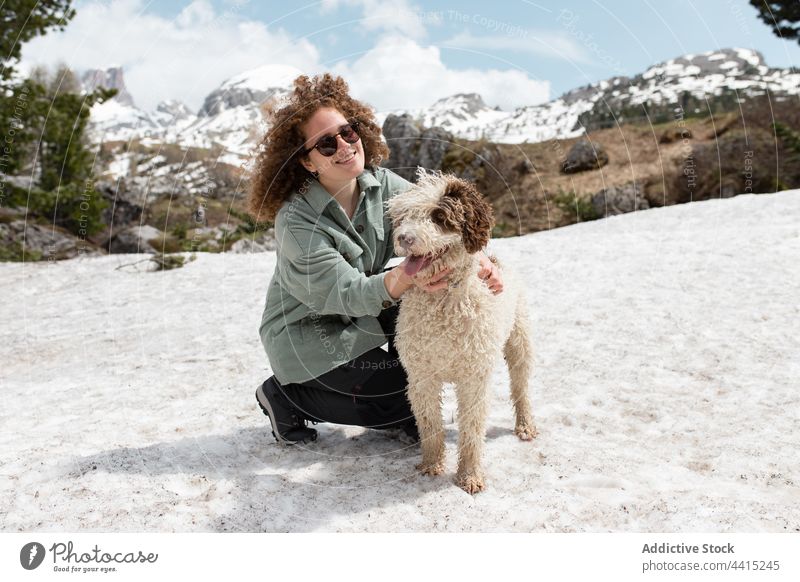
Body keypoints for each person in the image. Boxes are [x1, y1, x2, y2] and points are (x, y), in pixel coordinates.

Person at [247, 73, 503, 445]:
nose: (345, 146)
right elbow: (348, 292)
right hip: (309, 339)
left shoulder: (381, 185)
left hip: (360, 316)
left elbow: (443, 223)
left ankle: (396, 389)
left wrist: (480, 262)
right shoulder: (297, 220)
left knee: (423, 357)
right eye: (326, 144)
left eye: (348, 132)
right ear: (307, 163)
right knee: (403, 401)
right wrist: (406, 277)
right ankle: (285, 395)